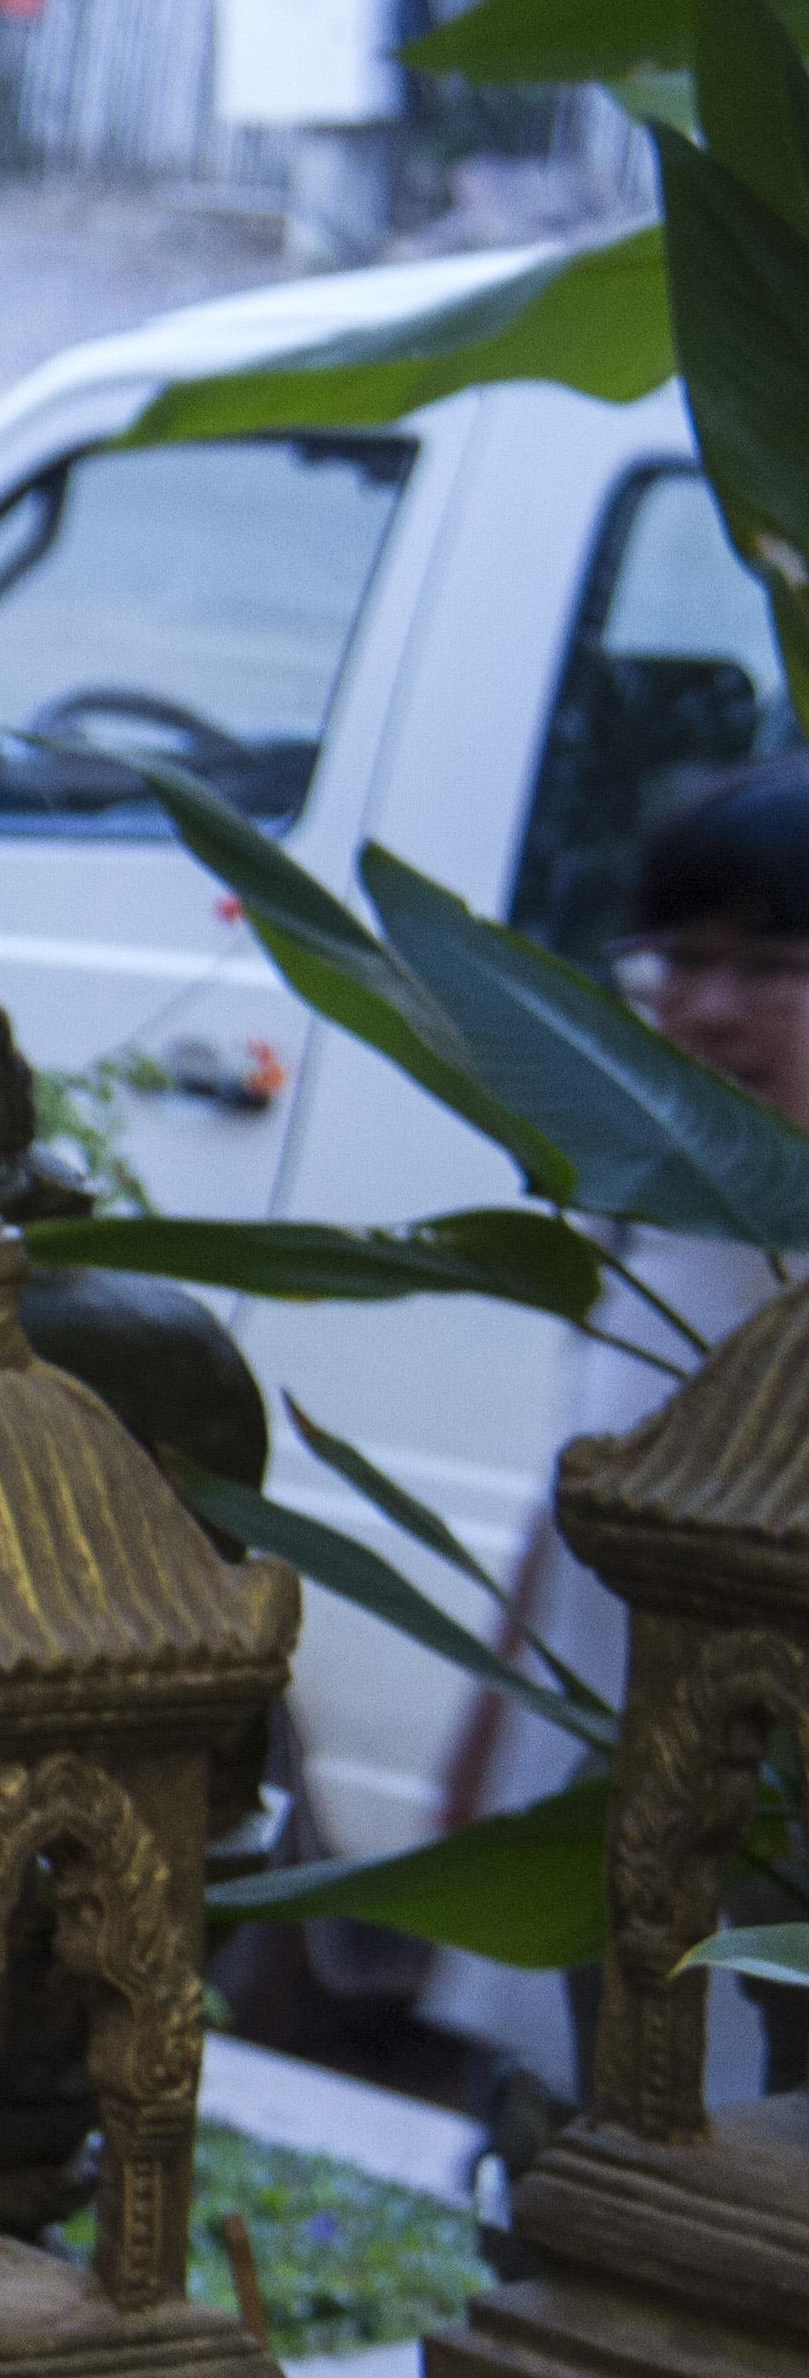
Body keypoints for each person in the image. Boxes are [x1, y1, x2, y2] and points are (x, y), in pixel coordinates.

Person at [437, 755, 809, 2100]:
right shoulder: (639, 1223)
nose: (708, 1009)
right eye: (682, 959)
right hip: (592, 1835)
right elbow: (576, 1501)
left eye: (771, 966)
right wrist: (482, 1740)